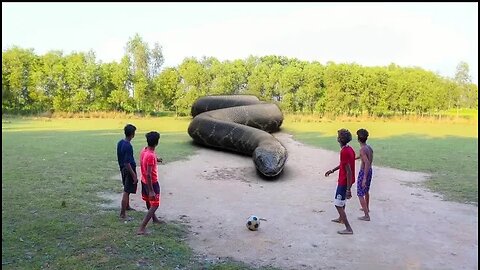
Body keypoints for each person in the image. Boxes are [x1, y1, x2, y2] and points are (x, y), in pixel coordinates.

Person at [324, 129, 356, 235]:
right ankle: (341, 218)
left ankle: (348, 228)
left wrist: (348, 189)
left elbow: (349, 171)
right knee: (342, 201)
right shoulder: (349, 149)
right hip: (346, 181)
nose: (337, 138)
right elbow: (344, 165)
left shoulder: (344, 152)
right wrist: (332, 170)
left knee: (338, 204)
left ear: (340, 140)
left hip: (344, 182)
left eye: (338, 136)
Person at [138, 131, 165, 235]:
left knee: (149, 202)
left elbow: (147, 160)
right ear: (157, 142)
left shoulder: (145, 151)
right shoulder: (150, 156)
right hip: (151, 182)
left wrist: (156, 159)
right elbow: (149, 174)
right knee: (155, 204)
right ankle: (142, 228)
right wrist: (151, 190)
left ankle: (154, 219)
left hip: (144, 181)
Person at [117, 124, 138, 220]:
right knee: (126, 191)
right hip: (128, 170)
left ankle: (127, 206)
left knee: (127, 189)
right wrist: (134, 175)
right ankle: (122, 214)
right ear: (132, 134)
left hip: (123, 169)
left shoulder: (120, 142)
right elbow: (127, 162)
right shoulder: (128, 146)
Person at [355, 128, 374, 221]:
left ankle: (366, 215)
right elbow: (365, 157)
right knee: (366, 190)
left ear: (358, 139)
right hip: (370, 170)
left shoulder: (362, 149)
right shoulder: (368, 147)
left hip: (364, 171)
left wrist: (364, 178)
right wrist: (356, 158)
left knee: (360, 193)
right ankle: (366, 208)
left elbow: (366, 162)